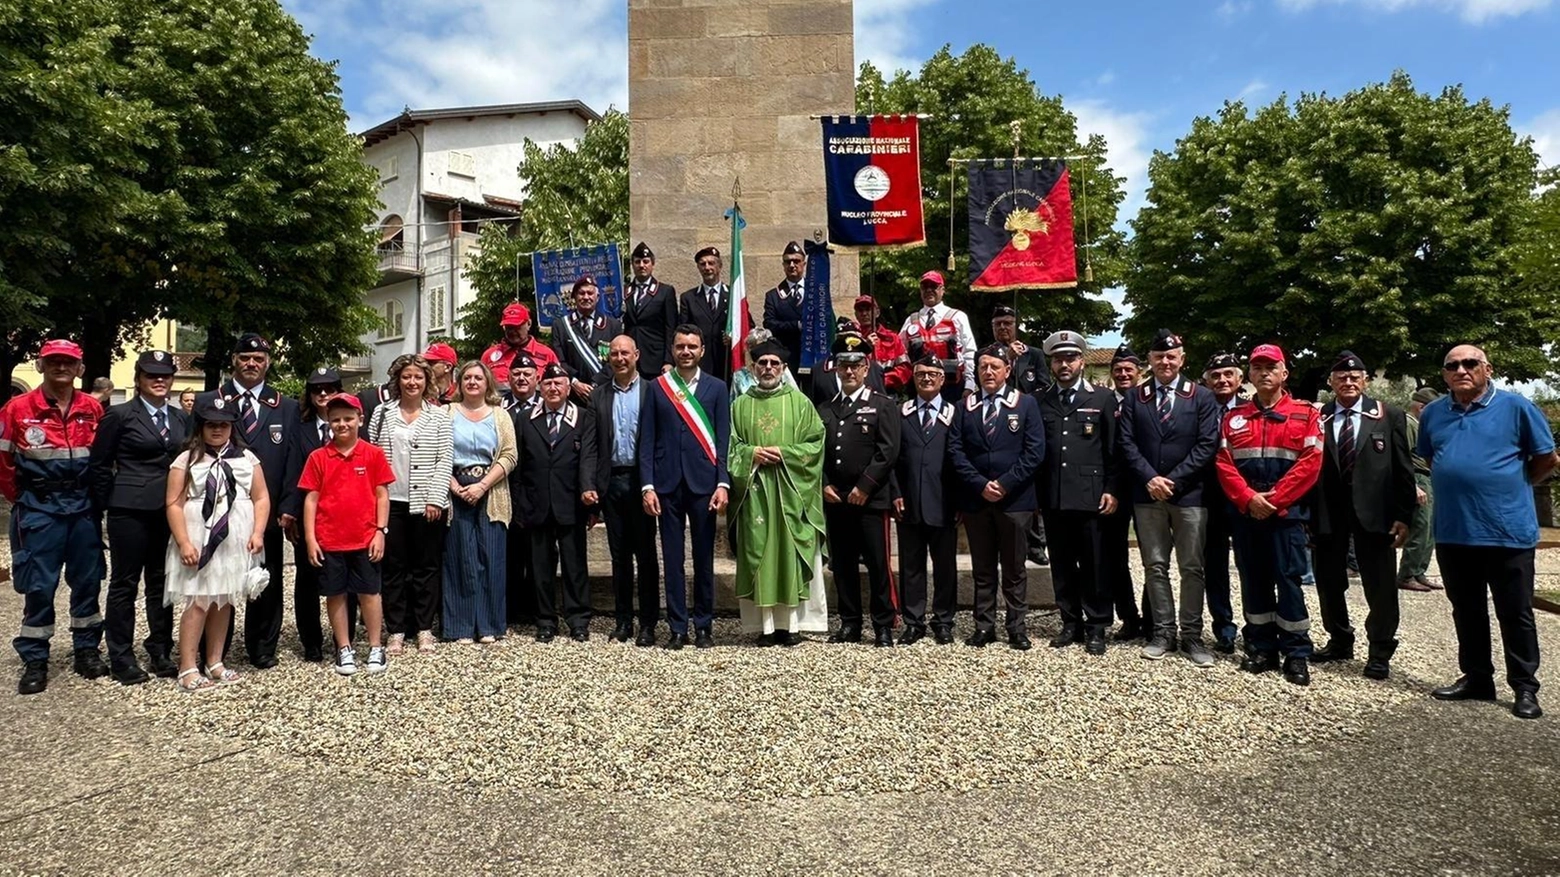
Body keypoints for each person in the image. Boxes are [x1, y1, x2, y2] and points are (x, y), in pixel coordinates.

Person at [1420, 344, 1552, 720]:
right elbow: (1432, 459)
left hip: (1506, 531)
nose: (1461, 370)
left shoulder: (1517, 408)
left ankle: (1525, 687)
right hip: (1453, 532)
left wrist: (1514, 485)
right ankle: (1478, 677)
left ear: (1487, 368)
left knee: (1516, 612)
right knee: (1467, 610)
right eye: (1452, 365)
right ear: (1444, 374)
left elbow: (1547, 458)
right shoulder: (1433, 414)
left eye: (1470, 363)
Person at [1, 339, 108, 694]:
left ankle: (87, 649)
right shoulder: (17, 409)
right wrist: (26, 501)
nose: (61, 367)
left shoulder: (93, 408)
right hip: (39, 509)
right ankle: (35, 657)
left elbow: (105, 458)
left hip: (83, 507)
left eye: (68, 362)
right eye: (54, 361)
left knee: (88, 580)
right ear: (41, 364)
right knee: (38, 584)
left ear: (79, 368)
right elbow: (3, 464)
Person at [1216, 344, 1324, 687]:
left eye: (1270, 367)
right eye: (1257, 367)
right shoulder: (1233, 418)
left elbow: (1310, 464)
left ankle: (1296, 652)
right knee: (1254, 580)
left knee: (1289, 581)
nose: (1263, 373)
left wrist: (1274, 500)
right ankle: (1261, 646)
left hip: (1285, 514)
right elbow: (1224, 463)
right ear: (1249, 374)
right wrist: (1248, 499)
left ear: (1284, 373)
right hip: (1247, 513)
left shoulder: (1306, 414)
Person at [1118, 328, 1221, 666]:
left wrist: (1172, 481)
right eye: (1159, 356)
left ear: (1182, 359)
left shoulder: (1201, 396)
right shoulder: (1136, 396)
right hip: (1147, 494)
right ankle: (1163, 631)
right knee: (1155, 565)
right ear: (1149, 359)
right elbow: (1126, 443)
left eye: (1171, 356)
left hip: (1189, 495)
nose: (1165, 361)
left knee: (1192, 567)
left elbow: (1207, 445)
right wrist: (1150, 478)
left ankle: (1191, 635)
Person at [1311, 350, 1415, 680]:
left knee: (1380, 584)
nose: (1348, 382)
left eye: (1355, 377)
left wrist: (1404, 515)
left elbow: (1403, 469)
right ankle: (1339, 639)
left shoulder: (1388, 415)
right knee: (1328, 581)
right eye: (1341, 377)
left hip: (1376, 512)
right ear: (1331, 382)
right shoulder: (1319, 417)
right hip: (1329, 512)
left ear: (1365, 380)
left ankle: (1380, 649)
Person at [90, 349, 190, 684]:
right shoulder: (119, 415)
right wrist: (107, 505)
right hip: (129, 510)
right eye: (151, 375)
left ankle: (160, 648)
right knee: (124, 583)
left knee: (161, 583)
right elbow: (100, 465)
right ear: (138, 379)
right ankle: (121, 655)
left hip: (168, 510)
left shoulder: (179, 419)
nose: (159, 380)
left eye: (165, 375)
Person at [163, 395, 269, 691]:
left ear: (232, 426)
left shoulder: (246, 458)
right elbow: (173, 502)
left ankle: (215, 661)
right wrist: (183, 541)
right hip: (199, 534)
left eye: (223, 424)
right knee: (198, 600)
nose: (217, 430)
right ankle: (187, 667)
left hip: (236, 535)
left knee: (224, 600)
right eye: (211, 425)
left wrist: (258, 531)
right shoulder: (186, 459)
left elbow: (261, 496)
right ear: (201, 426)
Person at [729, 338, 830, 645]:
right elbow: (732, 448)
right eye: (763, 363)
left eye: (775, 363)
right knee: (760, 553)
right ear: (753, 367)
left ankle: (793, 626)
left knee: (789, 555)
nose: (768, 368)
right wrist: (752, 454)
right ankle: (766, 627)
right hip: (756, 492)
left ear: (784, 368)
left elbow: (815, 443)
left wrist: (785, 453)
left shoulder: (800, 404)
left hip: (791, 492)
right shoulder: (741, 405)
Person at [638, 324, 731, 649]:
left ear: (702, 350)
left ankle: (704, 625)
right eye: (680, 346)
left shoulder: (718, 388)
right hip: (666, 484)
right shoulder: (658, 387)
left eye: (692, 346)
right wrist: (647, 485)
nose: (686, 351)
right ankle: (678, 626)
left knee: (703, 558)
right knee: (673, 559)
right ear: (673, 349)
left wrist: (723, 482)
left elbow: (723, 439)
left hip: (704, 483)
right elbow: (646, 439)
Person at [949, 344, 1046, 650]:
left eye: (994, 367)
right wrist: (980, 484)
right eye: (983, 367)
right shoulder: (966, 407)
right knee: (983, 567)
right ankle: (984, 626)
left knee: (1016, 568)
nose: (988, 372)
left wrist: (1004, 484)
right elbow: (956, 450)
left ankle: (1017, 627)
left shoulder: (1026, 404)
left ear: (1007, 370)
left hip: (1015, 501)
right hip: (977, 501)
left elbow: (1035, 452)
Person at [213, 332, 299, 669]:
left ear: (268, 363)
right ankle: (215, 648)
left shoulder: (286, 406)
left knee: (266, 578)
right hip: (220, 509)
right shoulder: (214, 401)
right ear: (234, 360)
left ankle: (262, 646)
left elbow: (294, 461)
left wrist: (289, 506)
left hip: (269, 511)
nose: (252, 364)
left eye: (259, 359)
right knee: (218, 578)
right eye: (245, 358)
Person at [1033, 331, 1118, 656]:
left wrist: (1112, 488)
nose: (1064, 364)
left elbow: (1113, 451)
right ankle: (1070, 621)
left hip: (1090, 494)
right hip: (1053, 496)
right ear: (1051, 364)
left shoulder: (1101, 399)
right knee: (1062, 563)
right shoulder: (1040, 400)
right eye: (1058, 359)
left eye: (1070, 358)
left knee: (1095, 563)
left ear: (1082, 361)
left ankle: (1096, 625)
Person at [819, 330, 902, 647]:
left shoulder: (882, 405)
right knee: (842, 564)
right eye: (843, 365)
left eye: (855, 365)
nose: (849, 371)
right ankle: (850, 622)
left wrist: (864, 487)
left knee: (878, 564)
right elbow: (818, 452)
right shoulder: (826, 408)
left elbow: (888, 451)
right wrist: (824, 483)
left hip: (870, 500)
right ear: (836, 369)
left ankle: (882, 624)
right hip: (836, 499)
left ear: (866, 368)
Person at [300, 394, 393, 675]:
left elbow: (382, 495)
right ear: (328, 422)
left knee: (370, 593)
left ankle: (376, 646)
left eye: (348, 419)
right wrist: (310, 538)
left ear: (360, 420)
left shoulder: (373, 454)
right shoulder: (318, 457)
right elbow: (311, 500)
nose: (342, 424)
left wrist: (380, 531)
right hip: (330, 540)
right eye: (336, 419)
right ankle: (344, 647)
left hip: (365, 538)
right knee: (336, 594)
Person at [368, 353, 452, 655]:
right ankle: (397, 629)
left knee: (426, 567)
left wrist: (435, 497)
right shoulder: (382, 413)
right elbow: (374, 457)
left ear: (427, 380)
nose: (412, 382)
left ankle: (425, 627)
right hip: (391, 501)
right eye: (407, 377)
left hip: (426, 502)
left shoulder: (440, 416)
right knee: (393, 568)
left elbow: (445, 460)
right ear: (397, 380)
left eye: (418, 376)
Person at [515, 363, 599, 642]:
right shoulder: (525, 419)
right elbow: (519, 466)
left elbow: (589, 460)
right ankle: (545, 620)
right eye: (548, 384)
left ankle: (578, 620)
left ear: (568, 388)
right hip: (536, 503)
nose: (553, 388)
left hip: (571, 503)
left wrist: (591, 505)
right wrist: (519, 503)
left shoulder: (584, 417)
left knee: (575, 565)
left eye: (559, 383)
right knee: (540, 566)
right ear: (540, 387)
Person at [592, 335, 661, 644]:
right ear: (610, 358)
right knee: (618, 557)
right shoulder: (599, 395)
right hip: (612, 483)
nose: (620, 358)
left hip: (642, 482)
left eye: (625, 353)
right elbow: (593, 445)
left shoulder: (653, 391)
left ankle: (648, 623)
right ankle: (623, 621)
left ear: (637, 355)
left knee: (645, 555)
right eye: (615, 354)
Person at [281, 367, 353, 662]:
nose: (323, 394)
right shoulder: (299, 427)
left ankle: (343, 641)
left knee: (346, 580)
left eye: (330, 388)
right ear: (309, 395)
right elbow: (291, 470)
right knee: (307, 581)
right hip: (309, 515)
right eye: (316, 390)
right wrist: (289, 511)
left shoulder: (349, 425)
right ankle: (311, 641)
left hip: (344, 514)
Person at [445, 361, 519, 644]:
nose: (473, 382)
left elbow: (509, 455)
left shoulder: (500, 415)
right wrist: (456, 487)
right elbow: (439, 453)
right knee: (459, 559)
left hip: (491, 491)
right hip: (456, 491)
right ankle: (460, 626)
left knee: (492, 559)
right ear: (459, 383)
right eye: (467, 377)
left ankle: (489, 626)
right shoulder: (446, 412)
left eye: (478, 377)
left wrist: (482, 485)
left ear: (487, 382)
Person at [894, 356, 961, 645]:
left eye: (934, 374)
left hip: (944, 502)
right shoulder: (902, 413)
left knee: (945, 566)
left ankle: (944, 620)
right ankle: (914, 621)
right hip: (908, 502)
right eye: (921, 374)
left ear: (943, 379)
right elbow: (892, 458)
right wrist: (895, 493)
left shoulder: (955, 414)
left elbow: (961, 462)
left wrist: (960, 500)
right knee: (911, 565)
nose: (927, 379)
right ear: (913, 377)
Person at [1102, 345, 1150, 639]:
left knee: (1153, 557)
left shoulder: (1148, 402)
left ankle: (1153, 617)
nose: (1123, 374)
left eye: (1128, 370)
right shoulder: (1104, 402)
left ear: (1138, 373)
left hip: (1145, 487)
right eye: (1118, 370)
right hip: (1114, 491)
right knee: (1115, 558)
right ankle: (1129, 616)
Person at [1199, 352, 1246, 652]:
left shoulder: (1252, 409)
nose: (1222, 380)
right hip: (1208, 498)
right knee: (1214, 569)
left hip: (1244, 499)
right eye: (1215, 376)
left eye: (1228, 374)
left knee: (1251, 566)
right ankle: (1223, 628)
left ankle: (1258, 627)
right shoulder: (1198, 408)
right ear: (1207, 381)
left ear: (1240, 379)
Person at [500, 352, 540, 629]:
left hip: (538, 490)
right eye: (516, 374)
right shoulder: (499, 407)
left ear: (537, 377)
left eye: (527, 374)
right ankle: (511, 609)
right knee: (510, 553)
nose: (522, 378)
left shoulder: (547, 405)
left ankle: (538, 609)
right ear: (509, 378)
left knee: (538, 554)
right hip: (505, 487)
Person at [899, 270, 977, 403]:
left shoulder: (957, 317)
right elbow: (900, 352)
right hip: (919, 387)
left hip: (951, 386)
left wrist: (969, 384)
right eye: (925, 287)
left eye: (933, 286)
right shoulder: (911, 320)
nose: (929, 290)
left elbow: (969, 352)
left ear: (942, 290)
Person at [1397, 387, 1441, 592]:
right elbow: (1401, 457)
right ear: (1422, 407)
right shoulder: (1408, 424)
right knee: (1420, 526)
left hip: (1429, 477)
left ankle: (1419, 571)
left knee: (1430, 529)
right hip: (1417, 477)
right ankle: (1406, 574)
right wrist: (1412, 485)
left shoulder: (1422, 426)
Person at [678, 247, 743, 383]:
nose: (707, 267)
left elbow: (747, 325)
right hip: (700, 363)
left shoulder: (734, 295)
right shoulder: (688, 298)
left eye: (711, 263)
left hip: (726, 361)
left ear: (719, 266)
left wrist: (734, 336)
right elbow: (683, 330)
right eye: (703, 264)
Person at [552, 275, 622, 400]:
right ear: (574, 297)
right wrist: (574, 383)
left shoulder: (613, 326)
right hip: (573, 395)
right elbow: (558, 360)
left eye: (590, 293)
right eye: (581, 293)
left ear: (597, 297)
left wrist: (595, 384)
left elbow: (615, 361)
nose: (586, 297)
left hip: (605, 392)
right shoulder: (561, 326)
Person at [624, 242, 679, 379]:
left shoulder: (665, 291)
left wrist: (669, 360)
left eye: (645, 261)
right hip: (629, 359)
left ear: (652, 264)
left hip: (656, 360)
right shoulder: (625, 291)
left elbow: (671, 328)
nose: (641, 265)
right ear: (632, 265)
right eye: (637, 262)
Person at [481, 303, 558, 385]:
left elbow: (559, 383)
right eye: (509, 327)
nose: (512, 331)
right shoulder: (489, 356)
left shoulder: (547, 354)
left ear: (529, 324)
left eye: (517, 327)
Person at [761, 241, 809, 372]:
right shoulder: (773, 295)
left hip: (812, 355)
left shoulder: (816, 292)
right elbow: (769, 323)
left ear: (804, 264)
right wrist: (797, 325)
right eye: (788, 262)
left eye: (796, 261)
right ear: (783, 265)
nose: (792, 265)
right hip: (786, 357)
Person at [852, 295, 911, 395]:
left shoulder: (893, 338)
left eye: (868, 309)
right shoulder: (851, 339)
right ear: (856, 314)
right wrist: (865, 347)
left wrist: (883, 380)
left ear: (877, 312)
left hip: (887, 391)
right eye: (860, 310)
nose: (864, 313)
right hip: (858, 392)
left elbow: (905, 369)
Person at [993, 305, 1048, 396]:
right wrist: (1007, 359)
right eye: (998, 324)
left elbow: (1044, 387)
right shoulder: (984, 355)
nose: (1002, 327)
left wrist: (1025, 403)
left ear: (1016, 326)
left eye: (1007, 323)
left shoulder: (1035, 354)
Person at [729, 328, 798, 399]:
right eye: (751, 347)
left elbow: (794, 397)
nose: (754, 352)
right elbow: (733, 404)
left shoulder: (779, 370)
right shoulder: (739, 375)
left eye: (759, 348)